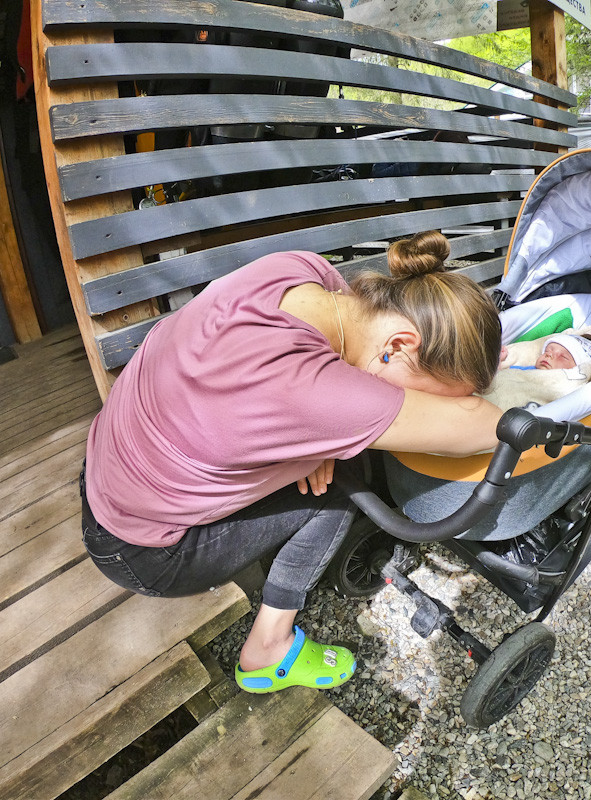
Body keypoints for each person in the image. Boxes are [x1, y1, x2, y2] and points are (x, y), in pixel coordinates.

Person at [81, 231, 505, 694]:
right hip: (139, 549)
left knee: (334, 463)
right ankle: (267, 650)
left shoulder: (298, 271)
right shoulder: (316, 394)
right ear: (401, 343)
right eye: (424, 395)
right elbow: (488, 426)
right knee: (342, 491)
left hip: (108, 471)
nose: (415, 404)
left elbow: (254, 399)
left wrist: (315, 442)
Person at [481, 327, 591, 411]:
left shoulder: (570, 385)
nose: (549, 356)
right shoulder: (523, 369)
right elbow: (500, 379)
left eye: (563, 357)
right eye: (547, 351)